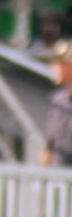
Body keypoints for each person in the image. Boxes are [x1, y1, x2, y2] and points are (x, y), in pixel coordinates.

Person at [41, 34, 72, 164]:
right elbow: (49, 146)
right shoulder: (57, 101)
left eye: (60, 63)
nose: (54, 67)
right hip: (58, 178)